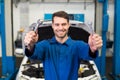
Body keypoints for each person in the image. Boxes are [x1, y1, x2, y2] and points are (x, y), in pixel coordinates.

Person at [24, 11, 103, 80]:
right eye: (57, 24)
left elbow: (89, 54)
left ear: (68, 25)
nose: (60, 28)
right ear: (53, 25)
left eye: (64, 24)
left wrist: (92, 49)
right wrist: (30, 45)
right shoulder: (45, 45)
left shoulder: (77, 46)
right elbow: (33, 53)